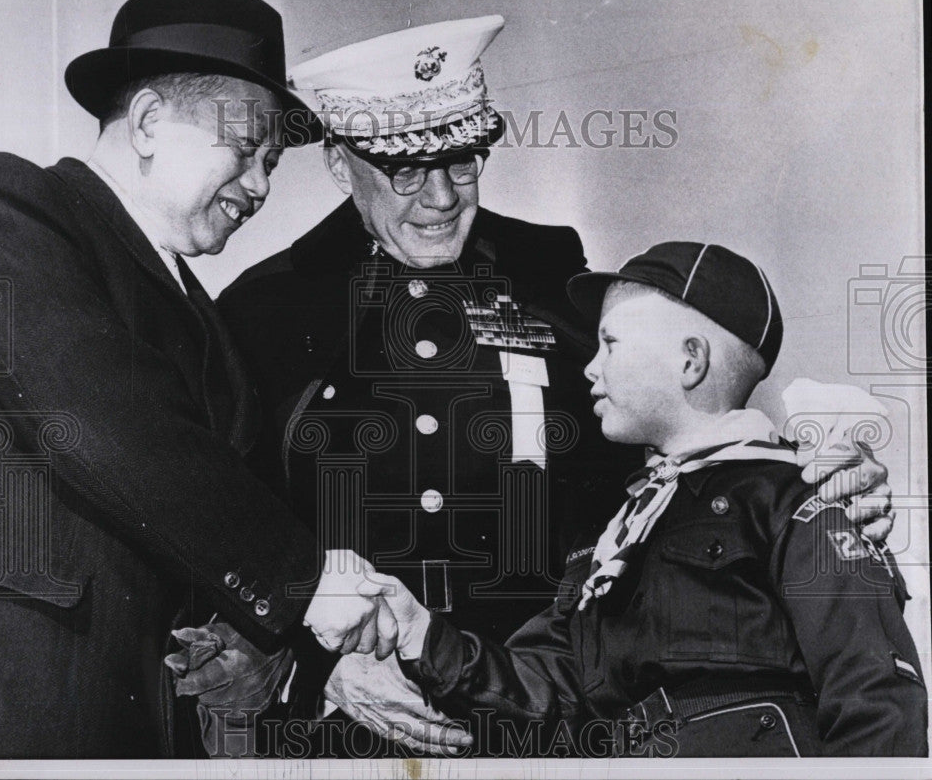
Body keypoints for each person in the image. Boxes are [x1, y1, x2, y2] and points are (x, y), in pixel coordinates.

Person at [212, 16, 897, 754]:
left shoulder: (549, 269)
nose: (442, 196)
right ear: (341, 166)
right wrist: (319, 665)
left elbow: (662, 448)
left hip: (543, 713)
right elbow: (223, 523)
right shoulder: (268, 306)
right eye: (406, 169)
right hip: (348, 720)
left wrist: (805, 480)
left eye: (465, 161)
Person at [0, 0, 386, 759]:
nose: (259, 185)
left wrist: (257, 642)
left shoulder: (206, 313)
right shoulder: (6, 204)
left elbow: (218, 504)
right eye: (246, 147)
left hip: (155, 732)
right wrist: (304, 581)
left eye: (274, 163)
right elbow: (105, 420)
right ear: (150, 121)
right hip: (29, 706)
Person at [370, 242, 927, 757]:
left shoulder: (801, 494)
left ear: (691, 360)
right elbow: (541, 697)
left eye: (610, 342)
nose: (589, 366)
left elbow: (877, 704)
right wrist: (421, 631)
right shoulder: (614, 538)